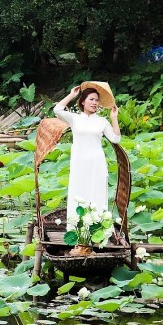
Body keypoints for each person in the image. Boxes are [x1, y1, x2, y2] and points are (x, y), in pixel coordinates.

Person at [53, 83, 121, 223]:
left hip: (96, 163)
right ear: (83, 101)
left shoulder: (102, 121)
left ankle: (97, 230)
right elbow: (57, 110)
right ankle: (77, 229)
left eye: (97, 100)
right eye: (91, 99)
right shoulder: (75, 119)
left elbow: (116, 138)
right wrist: (72, 95)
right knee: (78, 194)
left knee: (96, 194)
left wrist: (114, 118)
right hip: (79, 163)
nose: (94, 103)